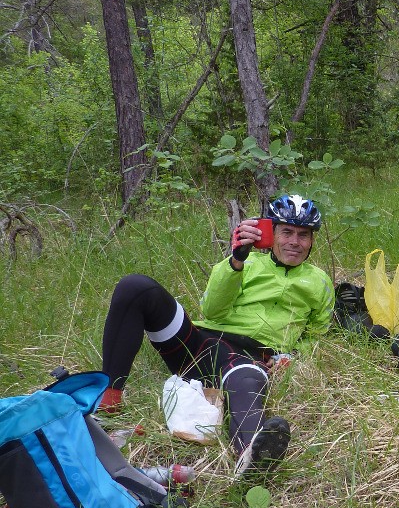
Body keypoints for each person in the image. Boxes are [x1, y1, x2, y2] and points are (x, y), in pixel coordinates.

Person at [98, 195, 335, 477]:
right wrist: (236, 261)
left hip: (250, 357)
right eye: (287, 232)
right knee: (135, 287)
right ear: (271, 234)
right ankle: (109, 401)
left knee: (246, 378)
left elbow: (316, 334)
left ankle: (251, 458)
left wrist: (291, 357)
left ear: (312, 241)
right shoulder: (246, 263)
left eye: (303, 235)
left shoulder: (319, 281)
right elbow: (212, 309)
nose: (295, 242)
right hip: (200, 343)